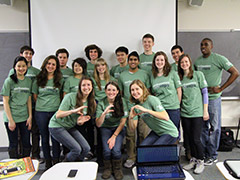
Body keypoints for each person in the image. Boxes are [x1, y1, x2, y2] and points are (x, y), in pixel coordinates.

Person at [194, 38, 239, 165]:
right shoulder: (197, 61)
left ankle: (212, 155)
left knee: (215, 127)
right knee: (202, 127)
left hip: (214, 100)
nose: (203, 47)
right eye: (201, 44)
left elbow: (235, 73)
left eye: (206, 44)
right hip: (201, 100)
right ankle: (202, 154)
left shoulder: (219, 59)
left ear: (211, 46)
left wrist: (221, 88)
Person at [49, 76, 96, 162]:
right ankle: (64, 166)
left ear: (92, 87)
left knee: (86, 148)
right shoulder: (70, 96)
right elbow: (58, 115)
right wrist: (72, 111)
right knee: (76, 149)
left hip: (69, 126)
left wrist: (79, 122)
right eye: (83, 85)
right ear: (80, 87)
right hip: (56, 126)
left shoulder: (91, 102)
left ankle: (77, 166)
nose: (86, 87)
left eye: (88, 85)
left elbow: (78, 121)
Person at [8, 46, 41, 161]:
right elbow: (8, 97)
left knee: (33, 133)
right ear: (21, 54)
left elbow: (31, 93)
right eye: (26, 53)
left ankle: (33, 156)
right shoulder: (11, 76)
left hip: (32, 107)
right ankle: (17, 160)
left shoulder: (35, 73)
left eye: (30, 54)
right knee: (16, 138)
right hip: (15, 110)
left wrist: (31, 114)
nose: (28, 56)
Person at [118, 51, 150, 168]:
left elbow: (148, 92)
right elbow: (120, 94)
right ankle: (131, 157)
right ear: (128, 61)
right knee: (130, 135)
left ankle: (143, 157)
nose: (133, 61)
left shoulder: (145, 74)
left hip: (143, 108)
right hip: (130, 109)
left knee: (143, 134)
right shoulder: (123, 75)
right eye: (131, 59)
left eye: (135, 59)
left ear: (138, 61)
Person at [178, 54, 209, 174]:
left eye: (186, 61)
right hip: (185, 113)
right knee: (189, 139)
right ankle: (193, 159)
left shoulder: (198, 75)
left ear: (190, 62)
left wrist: (205, 110)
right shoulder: (180, 78)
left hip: (197, 112)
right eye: (182, 62)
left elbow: (205, 93)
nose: (184, 64)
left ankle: (201, 160)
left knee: (196, 139)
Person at [32, 55, 63, 170]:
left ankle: (56, 160)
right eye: (49, 63)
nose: (51, 66)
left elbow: (62, 95)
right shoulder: (38, 78)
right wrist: (44, 105)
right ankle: (48, 162)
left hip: (55, 112)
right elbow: (35, 96)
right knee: (44, 138)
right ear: (45, 65)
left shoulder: (60, 78)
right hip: (41, 112)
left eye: (53, 64)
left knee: (55, 138)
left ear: (56, 67)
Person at [128, 79, 178, 146]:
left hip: (169, 132)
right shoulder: (136, 106)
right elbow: (132, 128)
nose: (135, 92)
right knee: (143, 148)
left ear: (143, 89)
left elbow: (165, 117)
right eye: (132, 90)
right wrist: (131, 118)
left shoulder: (152, 99)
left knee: (155, 150)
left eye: (137, 89)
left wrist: (147, 110)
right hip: (157, 132)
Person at [1, 56, 32, 158]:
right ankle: (14, 166)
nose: (21, 68)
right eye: (19, 66)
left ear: (27, 67)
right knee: (13, 143)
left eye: (24, 66)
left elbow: (28, 99)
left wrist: (30, 116)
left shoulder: (28, 81)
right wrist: (10, 120)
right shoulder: (9, 81)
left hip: (24, 116)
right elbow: (5, 101)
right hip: (12, 117)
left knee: (26, 143)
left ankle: (26, 164)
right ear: (14, 67)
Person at [96, 81, 128, 180]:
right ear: (105, 91)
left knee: (116, 151)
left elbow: (123, 122)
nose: (111, 92)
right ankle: (107, 168)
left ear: (117, 91)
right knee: (106, 151)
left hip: (118, 128)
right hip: (105, 128)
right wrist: (104, 113)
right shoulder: (102, 102)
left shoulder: (122, 101)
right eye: (109, 90)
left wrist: (114, 136)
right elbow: (98, 124)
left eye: (113, 90)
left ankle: (117, 169)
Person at [150, 51, 182, 132]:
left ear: (165, 61)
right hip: (160, 109)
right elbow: (153, 93)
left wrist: (177, 103)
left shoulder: (172, 73)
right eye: (157, 60)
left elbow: (179, 89)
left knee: (174, 132)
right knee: (163, 132)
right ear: (154, 62)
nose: (159, 62)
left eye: (162, 60)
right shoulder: (152, 76)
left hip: (173, 108)